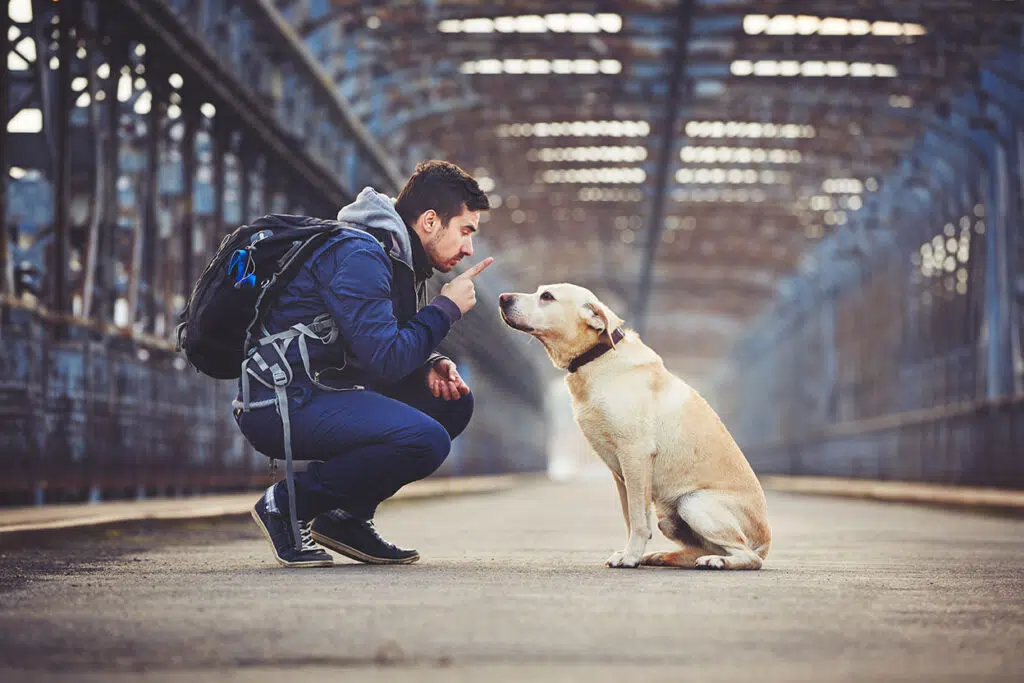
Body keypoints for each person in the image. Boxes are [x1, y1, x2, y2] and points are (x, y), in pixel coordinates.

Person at [238, 160, 493, 567]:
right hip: (285, 400)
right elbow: (384, 360)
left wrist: (430, 362)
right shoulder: (360, 255)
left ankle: (345, 518)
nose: (468, 248)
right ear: (430, 221)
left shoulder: (398, 259)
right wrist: (446, 309)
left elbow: (375, 341)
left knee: (451, 403)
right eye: (465, 231)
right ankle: (285, 504)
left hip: (324, 387)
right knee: (425, 439)